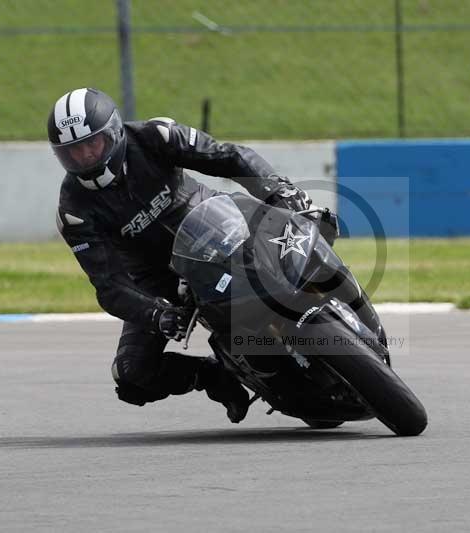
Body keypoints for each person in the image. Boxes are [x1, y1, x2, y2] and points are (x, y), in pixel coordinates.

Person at [48, 87, 312, 422]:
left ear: (113, 134)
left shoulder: (154, 136)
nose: (85, 156)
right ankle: (213, 375)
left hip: (218, 227)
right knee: (131, 374)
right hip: (158, 278)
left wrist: (276, 189)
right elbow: (109, 284)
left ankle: (337, 296)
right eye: (73, 152)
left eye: (92, 144)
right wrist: (154, 313)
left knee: (296, 228)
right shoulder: (74, 211)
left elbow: (229, 156)